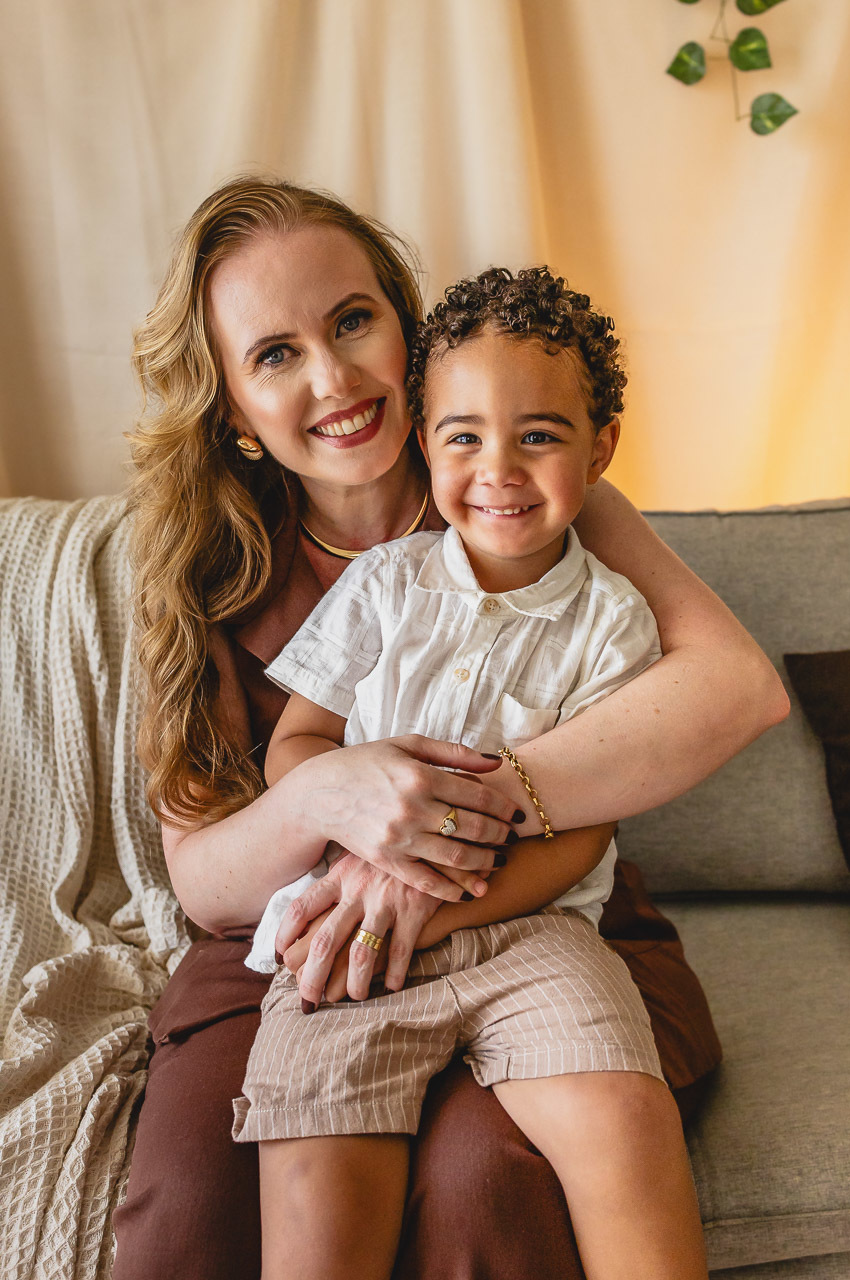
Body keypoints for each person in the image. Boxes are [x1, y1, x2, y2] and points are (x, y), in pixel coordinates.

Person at [112, 176, 788, 1280]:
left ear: (407, 329)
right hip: (299, 928)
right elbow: (207, 882)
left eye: (351, 321)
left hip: (534, 912)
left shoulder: (525, 489)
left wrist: (461, 841)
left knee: (485, 1175)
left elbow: (734, 688)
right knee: (196, 1190)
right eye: (274, 354)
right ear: (232, 403)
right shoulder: (200, 567)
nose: (332, 378)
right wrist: (333, 795)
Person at [236, 265, 708, 1280]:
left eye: (538, 434)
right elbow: (296, 745)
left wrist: (446, 908)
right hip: (352, 929)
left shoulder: (615, 620)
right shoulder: (382, 586)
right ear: (422, 443)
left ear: (600, 448)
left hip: (536, 932)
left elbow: (584, 828)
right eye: (463, 435)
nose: (499, 465)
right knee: (318, 1166)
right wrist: (355, 799)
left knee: (623, 1113)